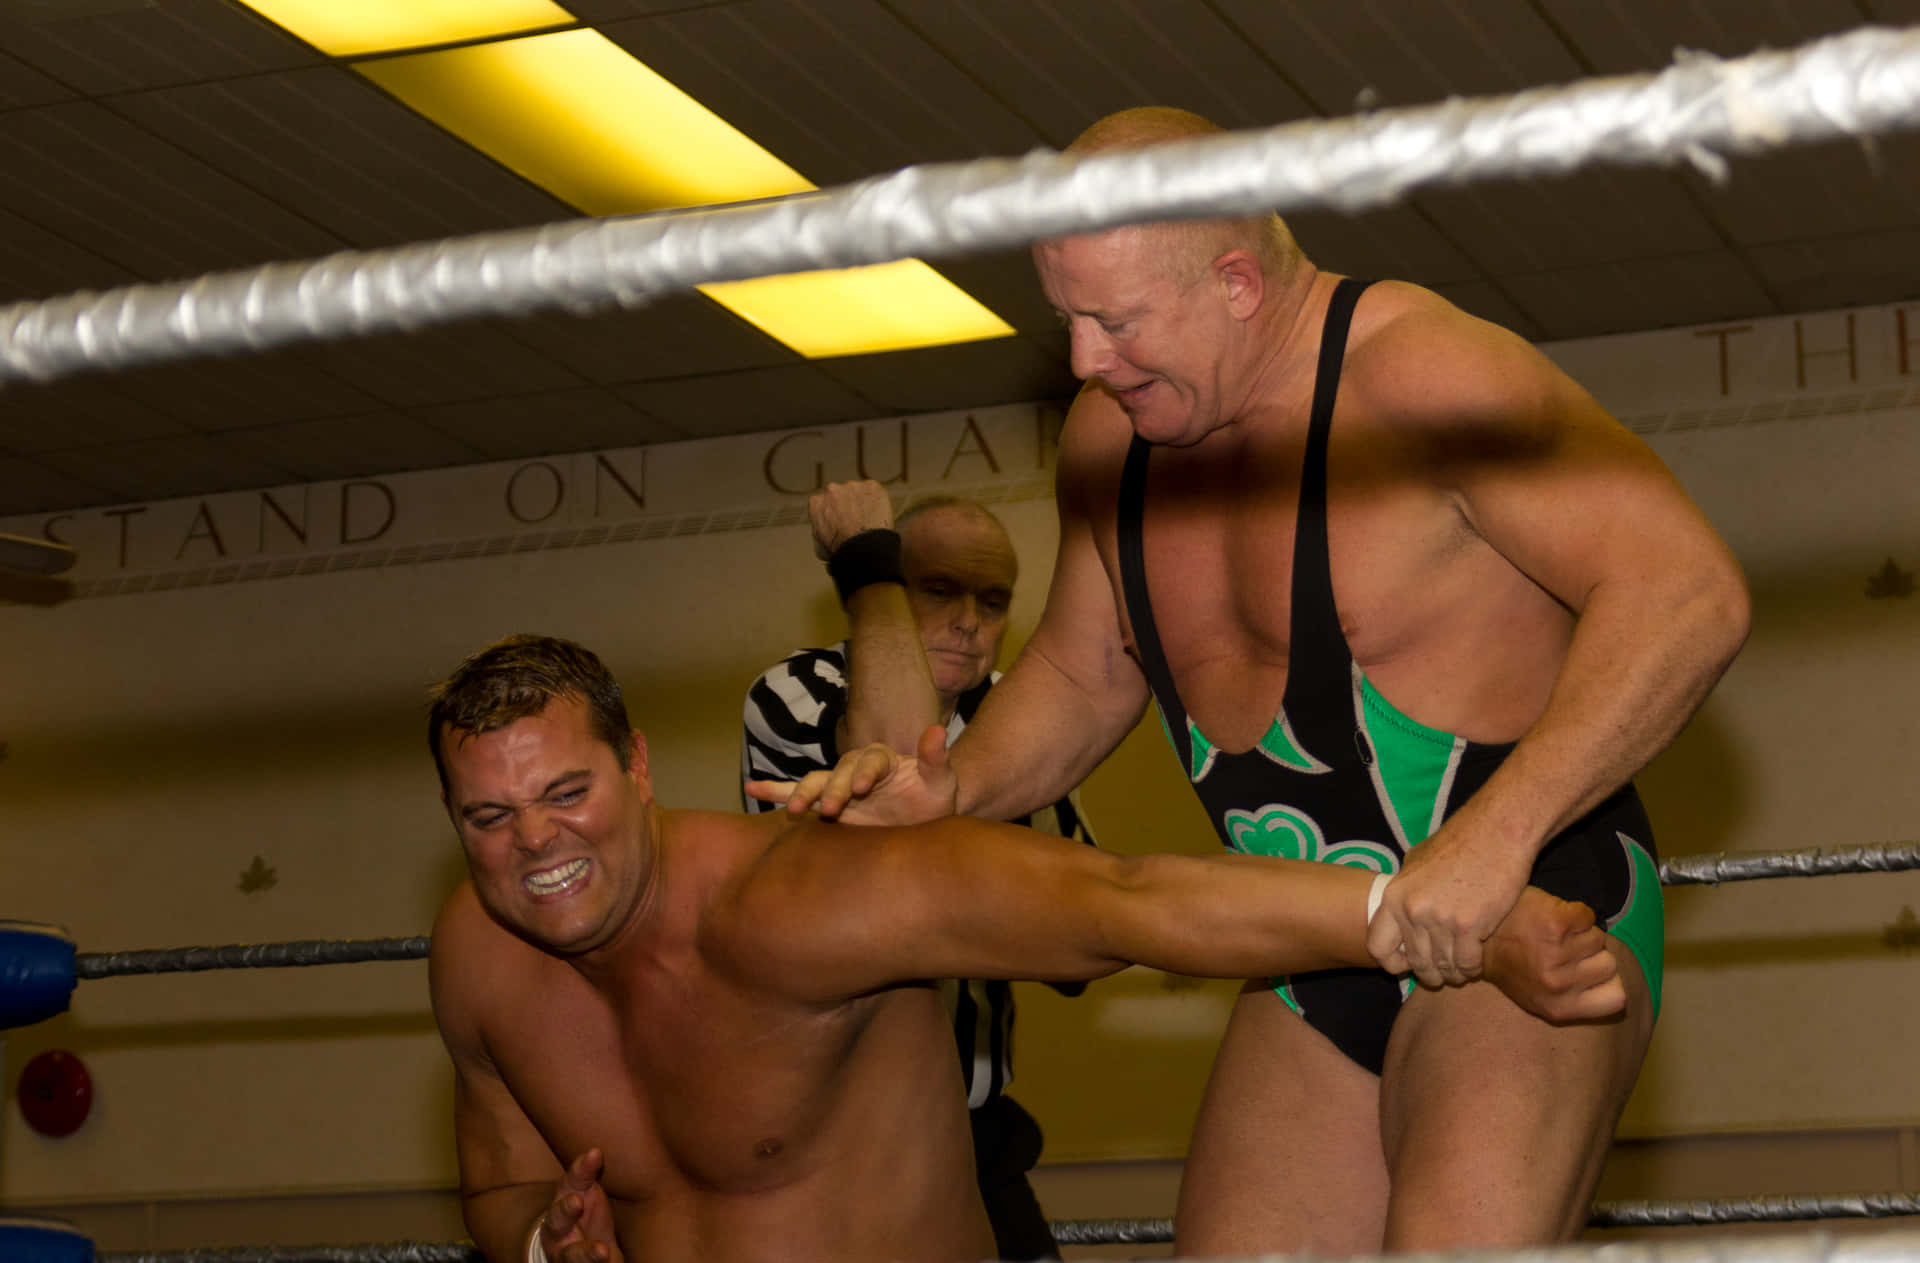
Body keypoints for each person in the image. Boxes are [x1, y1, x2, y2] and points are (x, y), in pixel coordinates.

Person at [751, 107, 1753, 1253]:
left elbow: (1687, 592)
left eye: (1115, 321)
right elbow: (1085, 672)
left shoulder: (1420, 378)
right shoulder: (1109, 440)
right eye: (1067, 318)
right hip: (1314, 935)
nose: (1085, 359)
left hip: (1519, 909)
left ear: (1236, 282)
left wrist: (1496, 839)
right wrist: (956, 786)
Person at [427, 633, 1625, 1263]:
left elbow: (1124, 901)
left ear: (636, 768)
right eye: (491, 817)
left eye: (568, 793)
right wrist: (546, 1245)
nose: (538, 844)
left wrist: (1441, 919)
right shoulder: (479, 962)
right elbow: (500, 1183)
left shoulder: (800, 900)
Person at [741, 484, 1092, 1260]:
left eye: (993, 600)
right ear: (889, 594)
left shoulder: (1015, 718)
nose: (970, 621)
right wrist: (867, 559)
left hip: (973, 1130)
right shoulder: (796, 694)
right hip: (827, 1131)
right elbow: (899, 751)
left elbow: (1082, 938)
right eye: (936, 589)